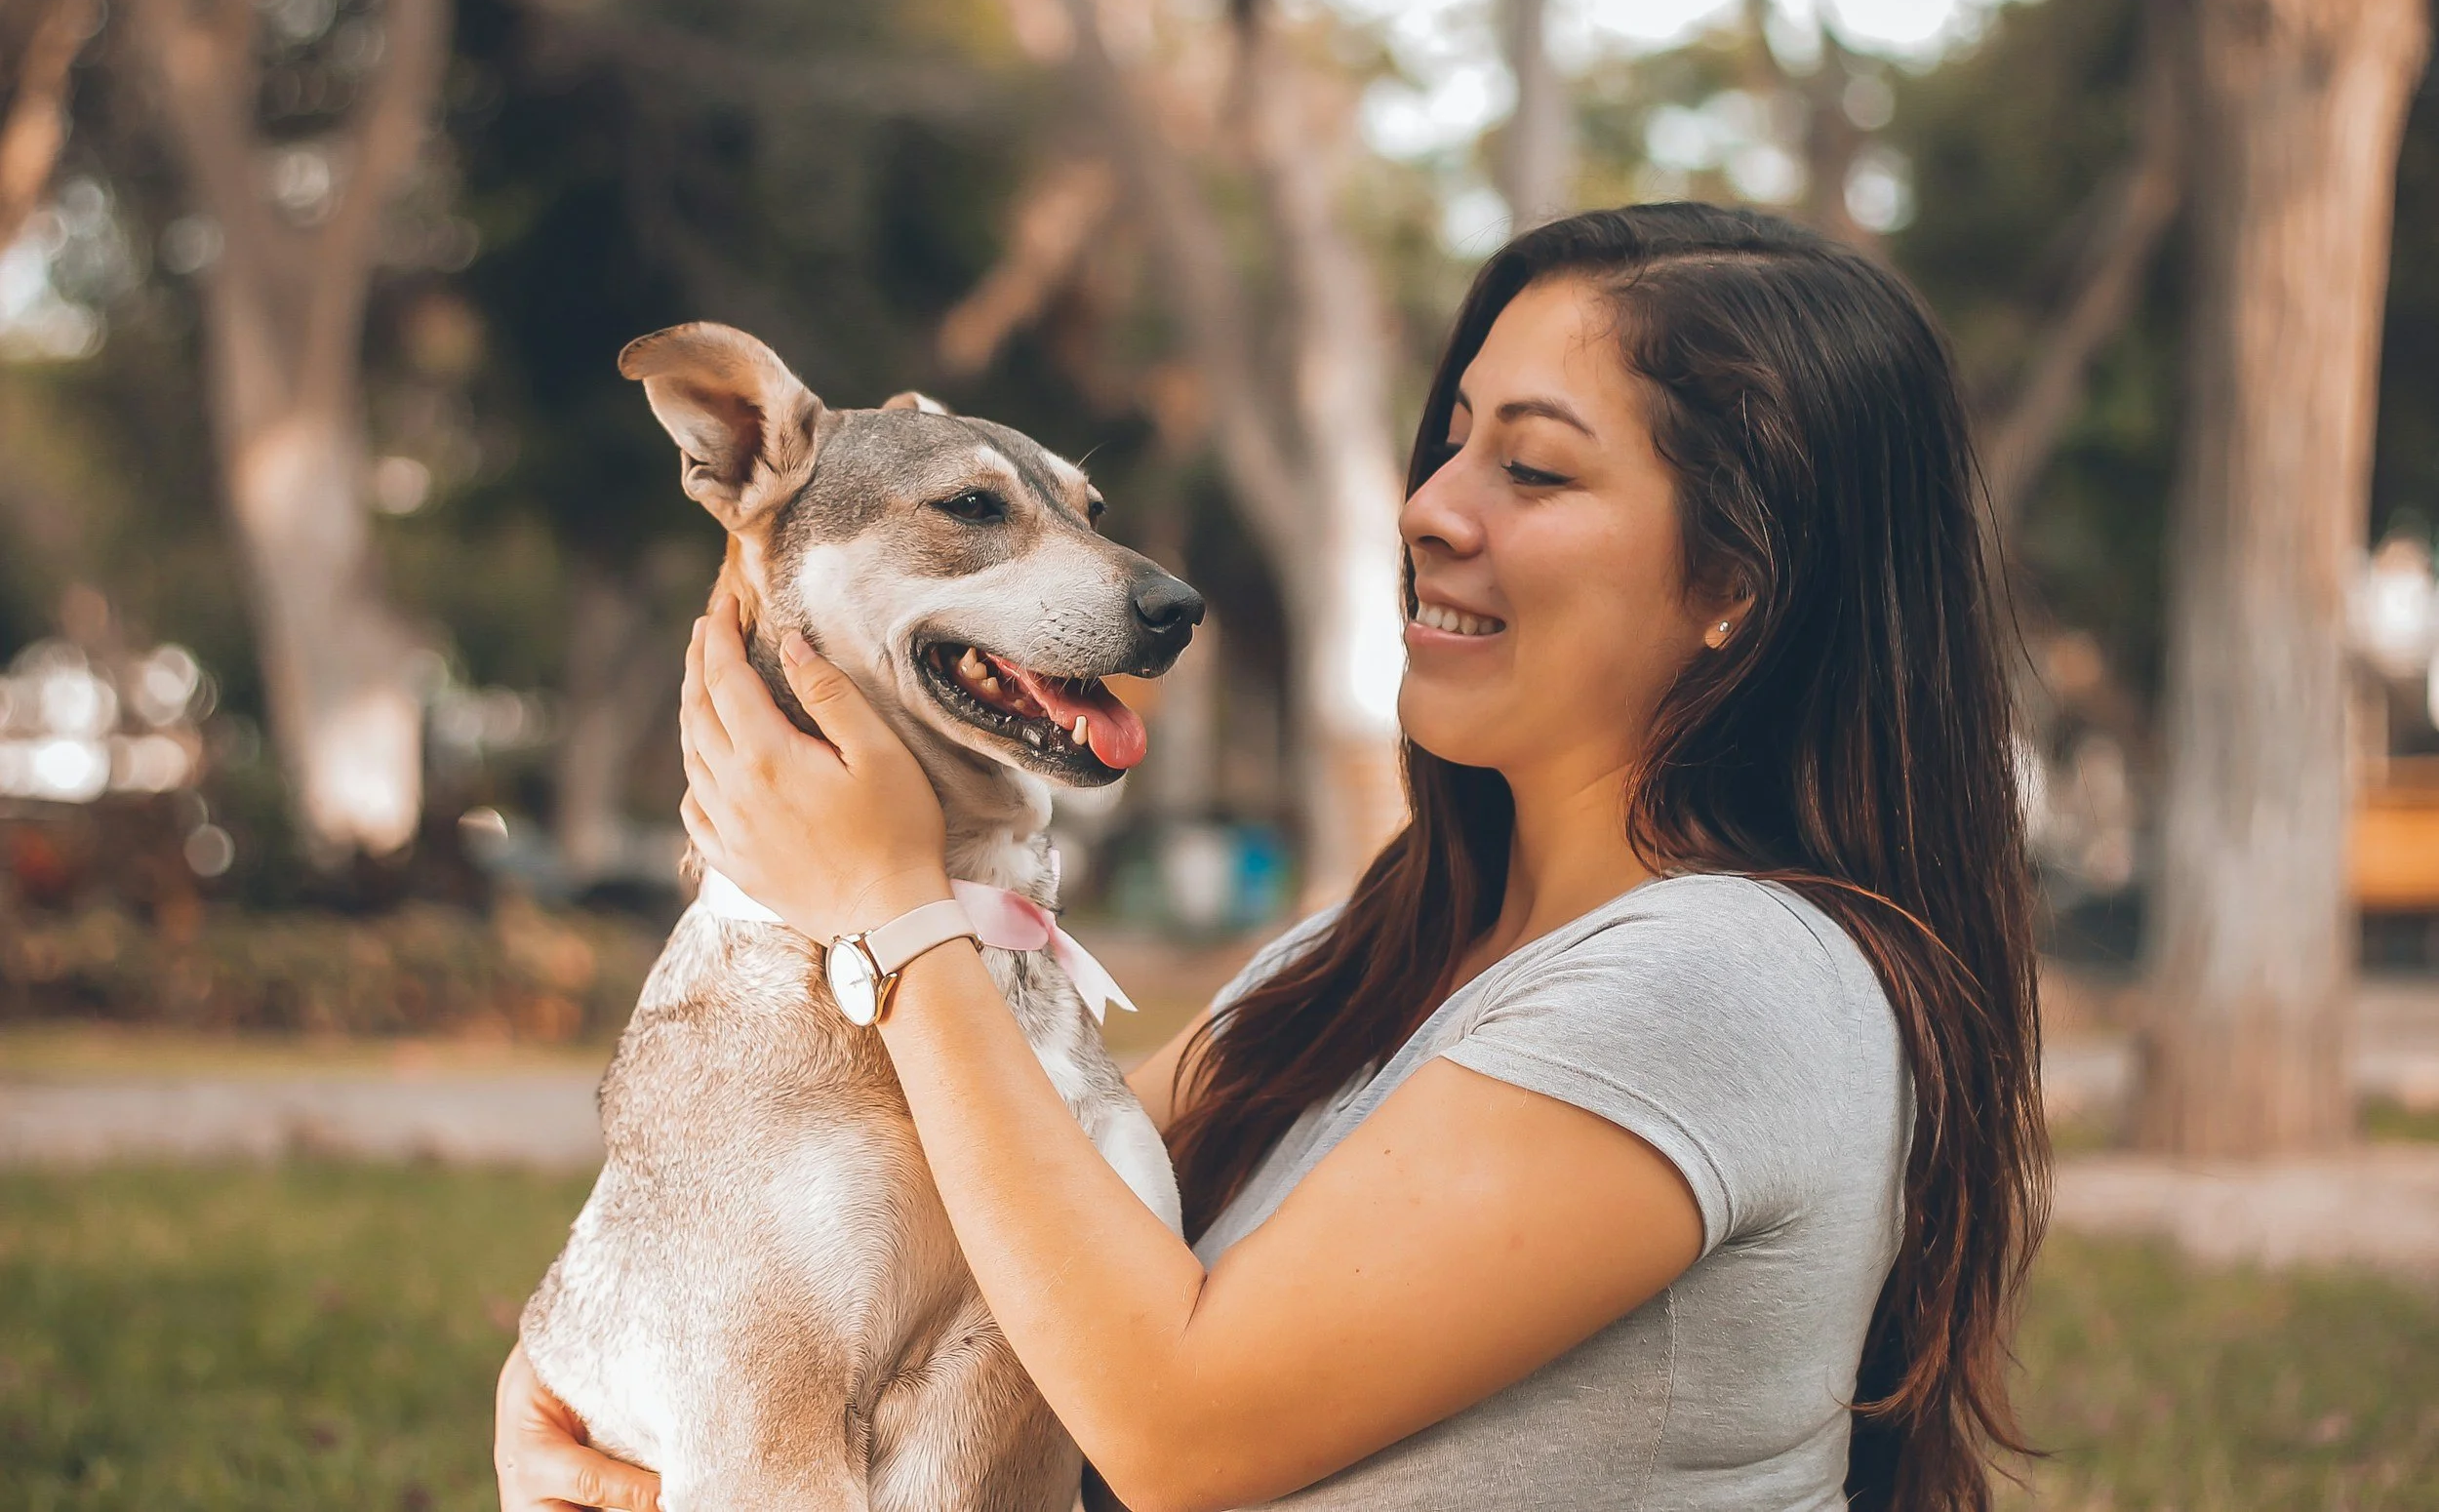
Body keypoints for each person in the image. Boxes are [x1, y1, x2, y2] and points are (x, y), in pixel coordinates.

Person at [495, 203, 2048, 1512]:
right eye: (1447, 447)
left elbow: (1173, 1421)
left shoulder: (1729, 983)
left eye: (1537, 467)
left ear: (1737, 584)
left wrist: (893, 906)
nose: (1431, 510)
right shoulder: (1353, 960)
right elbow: (979, 1210)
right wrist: (576, 1383)